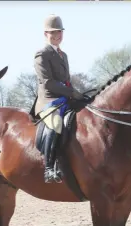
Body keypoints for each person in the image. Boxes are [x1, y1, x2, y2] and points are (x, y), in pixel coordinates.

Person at [33, 14, 87, 183]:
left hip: (65, 98)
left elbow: (66, 82)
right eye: (53, 33)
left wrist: (78, 94)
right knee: (56, 124)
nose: (57, 36)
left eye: (60, 32)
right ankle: (49, 168)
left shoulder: (64, 55)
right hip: (49, 100)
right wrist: (70, 93)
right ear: (46, 34)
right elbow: (47, 82)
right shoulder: (41, 54)